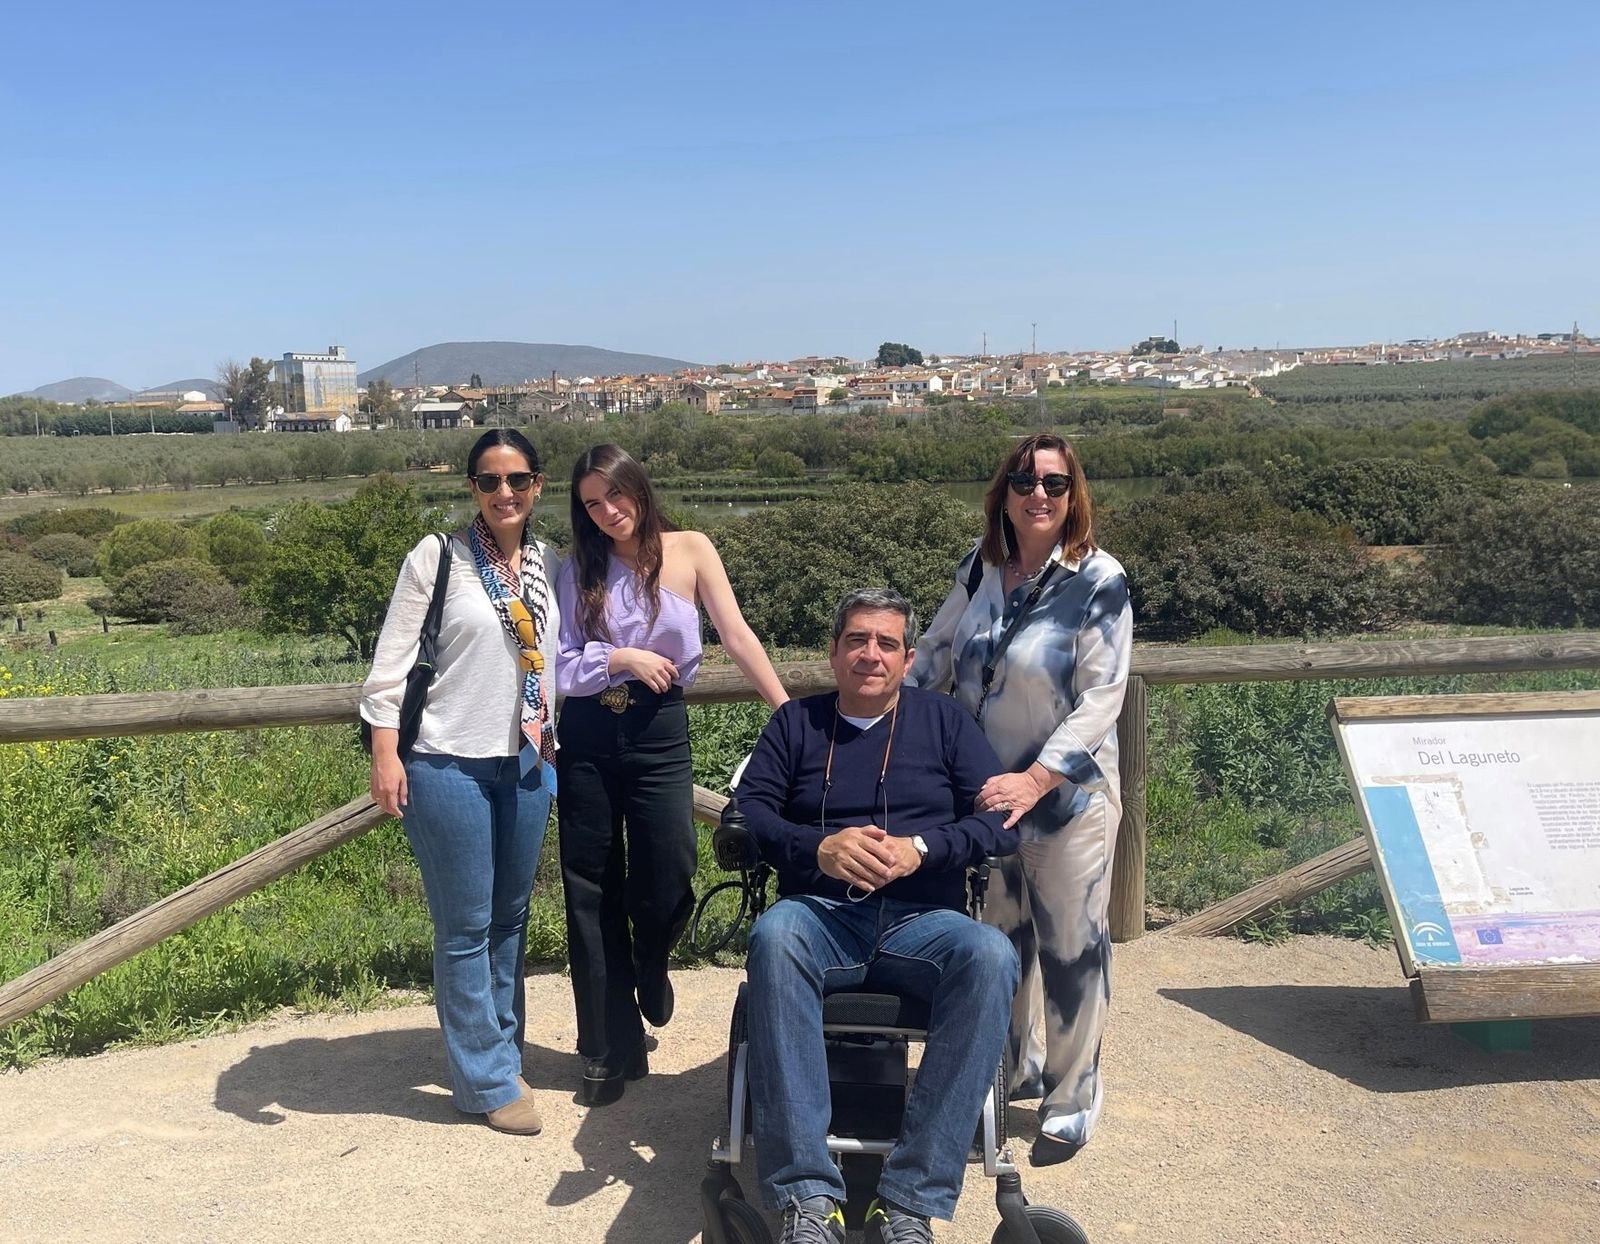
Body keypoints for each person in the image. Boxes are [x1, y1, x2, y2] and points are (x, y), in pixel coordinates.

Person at [736, 588, 1020, 1244]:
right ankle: (809, 1199)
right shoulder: (795, 725)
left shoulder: (946, 723)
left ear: (909, 657)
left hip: (925, 922)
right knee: (774, 936)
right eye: (857, 640)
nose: (871, 654)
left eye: (886, 643)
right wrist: (820, 849)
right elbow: (750, 813)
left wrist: (921, 850)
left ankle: (908, 1200)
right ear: (834, 654)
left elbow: (999, 821)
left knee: (991, 956)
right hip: (821, 915)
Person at [906, 432, 1133, 1167]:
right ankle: (1010, 1070)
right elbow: (934, 656)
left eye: (1056, 484)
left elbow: (1103, 697)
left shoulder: (1098, 580)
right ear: (1003, 492)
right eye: (1025, 480)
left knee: (1071, 948)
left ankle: (1073, 1097)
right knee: (999, 947)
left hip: (1064, 799)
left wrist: (1037, 780)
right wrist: (882, 728)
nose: (1040, 495)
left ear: (1075, 496)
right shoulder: (980, 569)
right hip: (987, 799)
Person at [555, 442, 788, 1106]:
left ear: (639, 487)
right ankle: (607, 1046)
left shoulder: (690, 549)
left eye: (616, 495)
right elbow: (559, 664)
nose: (607, 512)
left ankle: (652, 960)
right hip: (592, 728)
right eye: (592, 504)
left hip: (660, 730)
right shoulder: (579, 568)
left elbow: (737, 634)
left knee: (671, 863)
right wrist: (621, 657)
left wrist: (790, 713)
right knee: (591, 887)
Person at [361, 428, 561, 1136]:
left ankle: (501, 1052)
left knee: (511, 920)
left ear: (538, 485)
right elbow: (389, 668)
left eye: (517, 479)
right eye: (489, 481)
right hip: (447, 762)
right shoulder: (438, 558)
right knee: (466, 928)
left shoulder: (543, 561)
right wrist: (387, 754)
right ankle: (483, 1081)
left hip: (530, 763)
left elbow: (552, 663)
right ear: (471, 488)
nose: (504, 493)